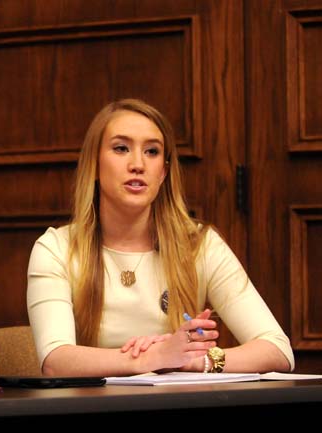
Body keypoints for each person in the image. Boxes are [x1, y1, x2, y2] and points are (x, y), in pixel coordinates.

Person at [27, 98, 293, 377]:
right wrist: (152, 358)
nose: (138, 164)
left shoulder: (200, 245)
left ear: (163, 172)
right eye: (121, 148)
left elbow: (277, 350)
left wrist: (193, 360)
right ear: (93, 163)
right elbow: (55, 359)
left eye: (152, 151)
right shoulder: (56, 248)